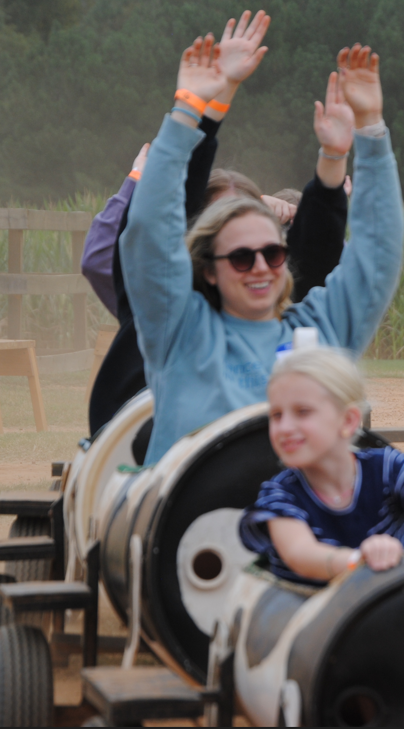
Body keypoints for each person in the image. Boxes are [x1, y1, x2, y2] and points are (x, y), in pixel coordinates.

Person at [120, 28, 404, 465]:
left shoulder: (317, 334)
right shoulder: (179, 328)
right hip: (190, 525)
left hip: (303, 524)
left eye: (273, 254)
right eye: (240, 256)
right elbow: (149, 231)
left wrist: (371, 130)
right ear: (209, 268)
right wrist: (187, 112)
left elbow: (377, 255)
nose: (260, 267)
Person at [84, 11, 348, 440]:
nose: (257, 262)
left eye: (266, 248)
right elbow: (156, 220)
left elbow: (315, 259)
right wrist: (202, 109)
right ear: (201, 247)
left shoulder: (270, 304)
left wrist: (335, 163)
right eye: (236, 249)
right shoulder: (160, 303)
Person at [239, 348, 404, 585]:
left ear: (348, 420)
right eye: (276, 415)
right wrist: (359, 559)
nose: (285, 427)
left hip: (393, 602)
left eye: (302, 412)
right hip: (309, 609)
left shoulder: (389, 467)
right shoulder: (279, 494)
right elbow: (300, 555)